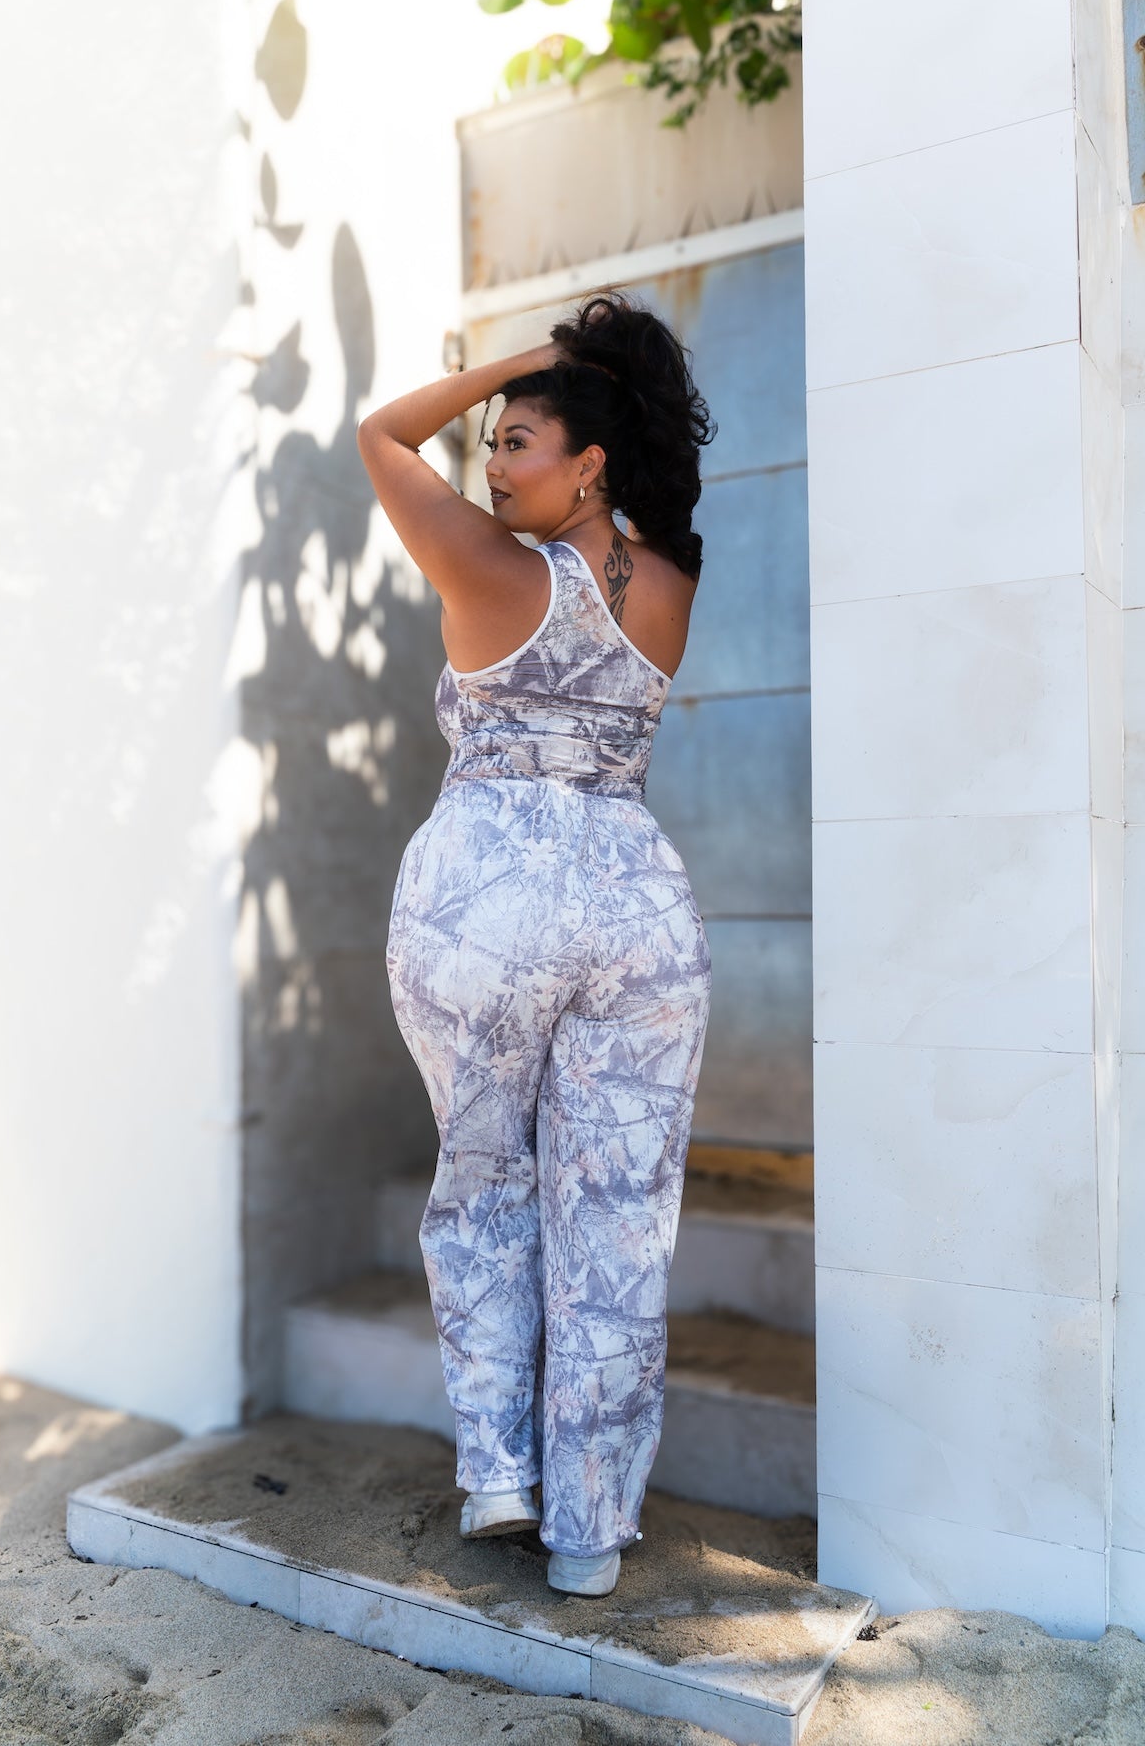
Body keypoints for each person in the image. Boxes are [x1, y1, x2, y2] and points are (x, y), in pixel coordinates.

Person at [357, 291, 714, 1598]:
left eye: (516, 442)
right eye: (492, 444)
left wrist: (531, 357)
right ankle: (591, 1537)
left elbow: (383, 435)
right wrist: (581, 375)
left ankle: (500, 1472)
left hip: (490, 897)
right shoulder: (669, 584)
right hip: (637, 904)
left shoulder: (488, 570)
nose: (492, 467)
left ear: (589, 460)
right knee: (620, 1217)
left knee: (486, 1183)